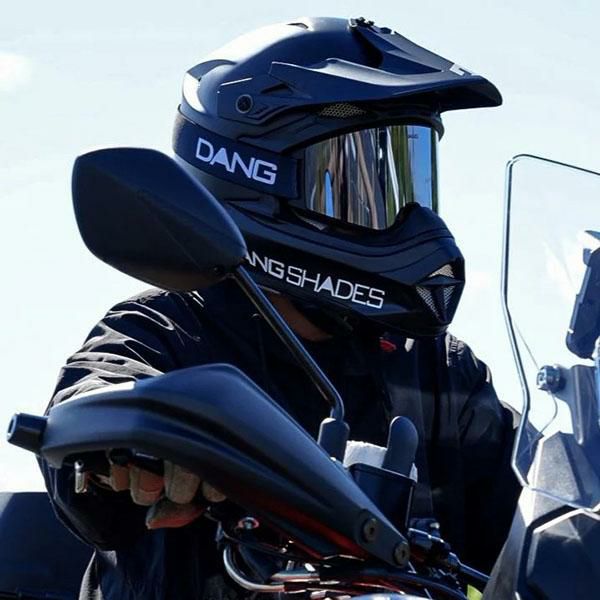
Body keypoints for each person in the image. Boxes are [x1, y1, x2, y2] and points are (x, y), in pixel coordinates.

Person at [41, 17, 519, 600]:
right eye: (357, 182)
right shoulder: (164, 330)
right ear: (253, 181)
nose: (412, 223)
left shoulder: (441, 373)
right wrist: (135, 444)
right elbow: (93, 394)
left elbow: (532, 520)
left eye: (406, 178)